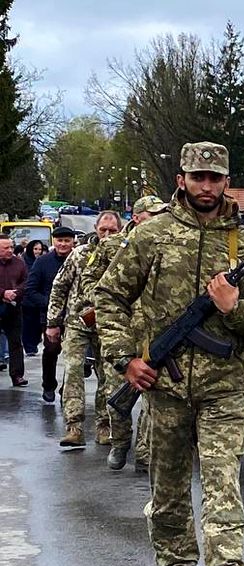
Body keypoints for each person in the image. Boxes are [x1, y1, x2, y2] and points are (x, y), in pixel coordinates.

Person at [95, 142, 244, 566]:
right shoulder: (151, 236)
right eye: (198, 177)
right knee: (169, 486)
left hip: (225, 387)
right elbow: (110, 296)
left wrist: (231, 307)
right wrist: (125, 360)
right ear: (181, 179)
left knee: (222, 480)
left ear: (226, 181)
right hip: (165, 389)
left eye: (215, 178)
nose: (206, 186)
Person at [85, 196, 164, 471]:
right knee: (116, 392)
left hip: (155, 333)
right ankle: (120, 442)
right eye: (152, 215)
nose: (157, 220)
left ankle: (144, 452)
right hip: (122, 332)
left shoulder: (168, 245)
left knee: (152, 394)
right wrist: (110, 302)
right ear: (137, 217)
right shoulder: (112, 245)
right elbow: (90, 280)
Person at [46, 212, 123, 448]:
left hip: (109, 324)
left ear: (120, 230)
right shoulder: (80, 254)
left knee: (108, 376)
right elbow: (60, 286)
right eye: (103, 230)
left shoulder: (125, 255)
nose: (107, 234)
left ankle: (104, 426)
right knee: (73, 372)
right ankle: (74, 426)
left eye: (112, 231)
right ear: (96, 229)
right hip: (77, 321)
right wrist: (52, 322)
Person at [25, 227, 76, 403]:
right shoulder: (42, 262)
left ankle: (67, 388)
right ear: (54, 241)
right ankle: (48, 385)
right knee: (51, 350)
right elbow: (31, 290)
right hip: (49, 316)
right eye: (60, 240)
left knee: (73, 355)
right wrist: (50, 303)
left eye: (67, 241)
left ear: (73, 242)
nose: (63, 244)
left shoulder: (79, 259)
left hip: (75, 316)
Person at [0, 234, 28, 386]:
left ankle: (17, 375)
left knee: (16, 342)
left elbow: (26, 282)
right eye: (6, 248)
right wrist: (3, 293)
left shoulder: (19, 263)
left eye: (11, 247)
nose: (10, 250)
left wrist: (15, 293)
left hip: (13, 307)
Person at [19, 240, 45, 356]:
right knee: (28, 324)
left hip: (39, 298)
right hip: (27, 299)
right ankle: (29, 346)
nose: (38, 252)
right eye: (35, 249)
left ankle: (33, 344)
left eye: (40, 249)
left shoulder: (41, 262)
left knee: (38, 324)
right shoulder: (23, 262)